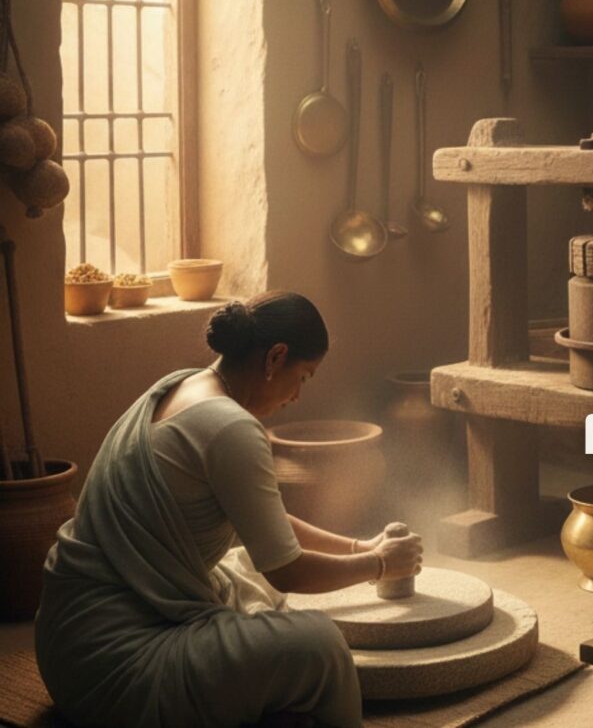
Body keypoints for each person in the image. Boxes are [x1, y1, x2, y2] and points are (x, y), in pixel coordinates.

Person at [35, 291, 423, 728]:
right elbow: (288, 571)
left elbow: (264, 519)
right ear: (276, 357)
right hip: (115, 664)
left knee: (240, 568)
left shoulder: (182, 384)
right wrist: (378, 564)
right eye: (304, 377)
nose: (297, 396)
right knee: (321, 646)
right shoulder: (232, 428)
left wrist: (359, 545)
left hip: (63, 640)